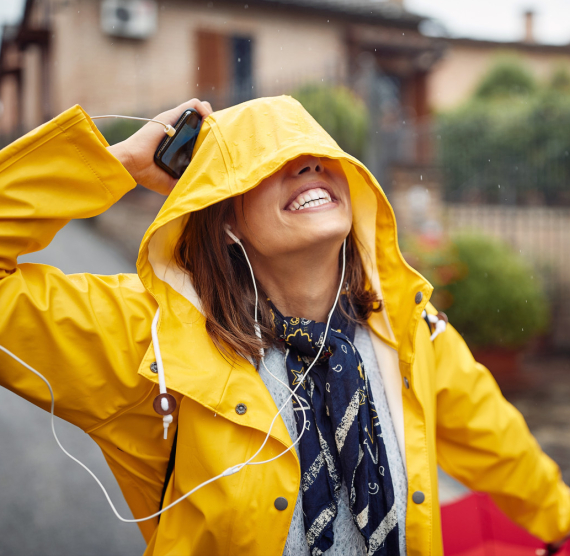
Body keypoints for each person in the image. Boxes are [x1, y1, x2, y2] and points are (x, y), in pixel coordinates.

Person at [0, 95, 569, 556]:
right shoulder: (147, 336)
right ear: (225, 219)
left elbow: (499, 446)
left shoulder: (406, 329)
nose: (308, 164)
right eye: (268, 163)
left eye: (320, 154)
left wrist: (560, 523)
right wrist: (116, 164)